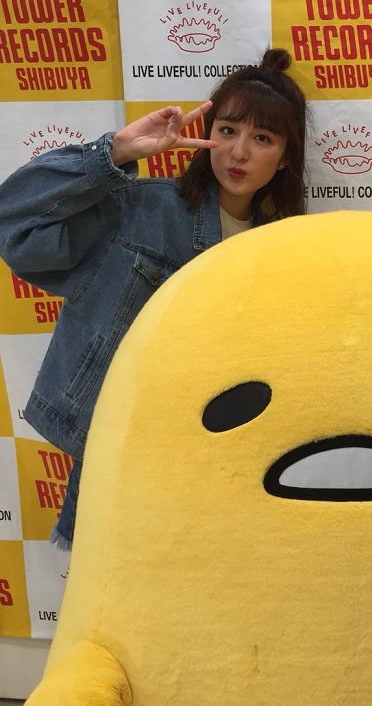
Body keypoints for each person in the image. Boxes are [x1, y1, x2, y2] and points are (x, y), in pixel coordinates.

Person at [0, 47, 308, 549]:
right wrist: (115, 153)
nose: (238, 152)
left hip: (222, 463)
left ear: (286, 156)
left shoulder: (282, 249)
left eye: (262, 138)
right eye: (228, 130)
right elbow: (15, 226)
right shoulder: (142, 209)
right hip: (123, 451)